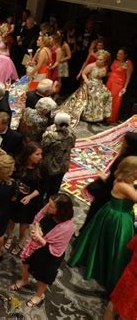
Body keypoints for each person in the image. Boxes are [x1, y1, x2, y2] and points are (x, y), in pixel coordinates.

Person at [69, 156, 137, 293]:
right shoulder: (124, 186)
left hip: (112, 213)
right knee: (118, 245)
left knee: (104, 241)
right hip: (119, 219)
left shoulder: (121, 180)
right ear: (132, 172)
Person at [11, 194, 74, 307]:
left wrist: (39, 238)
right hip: (35, 247)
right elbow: (37, 220)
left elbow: (55, 249)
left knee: (43, 277)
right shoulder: (48, 210)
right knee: (26, 264)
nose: (47, 206)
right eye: (48, 203)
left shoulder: (67, 227)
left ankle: (39, 295)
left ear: (61, 211)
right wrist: (34, 230)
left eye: (51, 206)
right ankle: (25, 280)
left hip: (49, 255)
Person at [81, 132, 137, 230]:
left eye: (124, 140)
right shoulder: (130, 160)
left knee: (95, 214)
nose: (121, 142)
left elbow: (114, 178)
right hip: (115, 199)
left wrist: (105, 179)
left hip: (109, 195)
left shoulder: (125, 163)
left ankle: (86, 233)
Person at [7, 142, 47, 255]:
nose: (40, 157)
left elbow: (43, 187)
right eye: (37, 154)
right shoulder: (19, 164)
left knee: (24, 224)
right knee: (12, 219)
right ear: (29, 154)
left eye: (41, 154)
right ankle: (9, 237)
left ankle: (20, 243)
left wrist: (29, 197)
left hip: (31, 200)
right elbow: (12, 177)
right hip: (16, 196)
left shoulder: (42, 168)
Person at [58, 50, 112, 125]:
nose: (98, 60)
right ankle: (88, 115)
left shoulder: (105, 66)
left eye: (100, 59)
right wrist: (87, 82)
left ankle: (99, 116)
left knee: (107, 94)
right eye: (97, 59)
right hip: (89, 83)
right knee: (95, 96)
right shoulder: (92, 66)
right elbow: (83, 73)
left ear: (105, 61)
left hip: (99, 84)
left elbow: (102, 75)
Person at [41, 113, 76, 196]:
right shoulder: (72, 132)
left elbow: (44, 147)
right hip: (63, 163)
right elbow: (73, 145)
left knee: (45, 183)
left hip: (50, 163)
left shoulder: (49, 134)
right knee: (56, 185)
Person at [104, 236, 137, 320]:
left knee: (114, 304)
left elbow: (131, 245)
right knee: (127, 315)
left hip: (128, 276)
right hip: (131, 279)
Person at [106, 48, 134, 123]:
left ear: (125, 55)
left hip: (118, 84)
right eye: (118, 53)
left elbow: (128, 76)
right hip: (110, 82)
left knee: (115, 101)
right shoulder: (115, 61)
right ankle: (105, 116)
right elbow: (112, 72)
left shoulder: (128, 63)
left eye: (120, 54)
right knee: (107, 98)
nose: (118, 55)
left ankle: (111, 118)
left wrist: (125, 87)